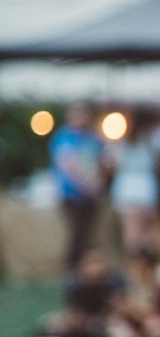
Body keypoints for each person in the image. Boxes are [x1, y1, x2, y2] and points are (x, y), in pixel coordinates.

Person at [104, 106, 160, 258]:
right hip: (146, 184)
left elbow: (110, 164)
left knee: (132, 231)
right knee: (149, 229)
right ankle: (148, 265)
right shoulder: (153, 139)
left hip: (128, 186)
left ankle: (137, 266)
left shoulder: (123, 141)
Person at [50, 102, 105, 270]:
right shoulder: (63, 137)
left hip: (91, 194)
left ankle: (86, 269)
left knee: (88, 234)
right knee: (77, 233)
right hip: (71, 194)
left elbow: (102, 162)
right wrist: (86, 185)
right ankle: (71, 269)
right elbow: (67, 165)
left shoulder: (94, 137)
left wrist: (98, 181)